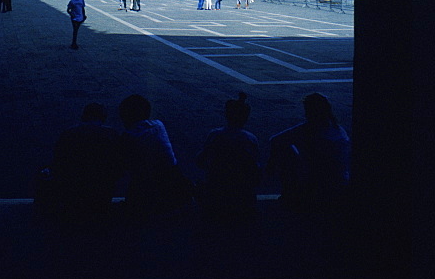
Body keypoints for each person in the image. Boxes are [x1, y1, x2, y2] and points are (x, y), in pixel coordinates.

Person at [37, 102, 123, 223]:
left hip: (73, 192)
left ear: (83, 116)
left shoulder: (69, 134)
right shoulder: (111, 135)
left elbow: (58, 163)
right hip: (102, 192)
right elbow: (119, 166)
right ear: (103, 118)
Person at [267, 93, 350, 212]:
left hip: (317, 182)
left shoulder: (309, 130)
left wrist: (272, 162)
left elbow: (276, 140)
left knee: (287, 149)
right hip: (340, 179)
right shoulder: (338, 129)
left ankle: (289, 193)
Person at [118, 94, 193, 216]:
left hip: (144, 187)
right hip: (172, 180)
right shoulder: (159, 126)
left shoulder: (128, 136)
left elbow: (123, 166)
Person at [196, 92, 260, 221]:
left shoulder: (215, 134)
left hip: (216, 191)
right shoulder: (250, 138)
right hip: (242, 194)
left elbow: (200, 160)